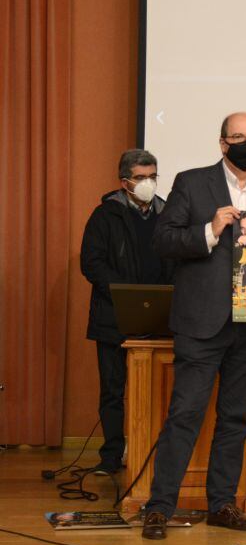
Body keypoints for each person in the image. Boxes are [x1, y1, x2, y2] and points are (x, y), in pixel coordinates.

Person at [141, 112, 246, 540]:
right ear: (223, 143)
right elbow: (163, 241)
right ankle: (160, 506)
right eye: (239, 136)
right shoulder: (192, 183)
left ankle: (222, 504)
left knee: (235, 419)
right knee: (185, 414)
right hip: (201, 322)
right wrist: (210, 230)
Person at [79, 149, 173, 475]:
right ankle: (110, 457)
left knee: (158, 388)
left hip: (160, 317)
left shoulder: (168, 214)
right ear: (125, 181)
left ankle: (152, 453)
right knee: (113, 391)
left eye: (152, 176)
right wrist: (123, 294)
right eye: (140, 177)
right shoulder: (105, 215)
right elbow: (91, 263)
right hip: (113, 315)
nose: (148, 183)